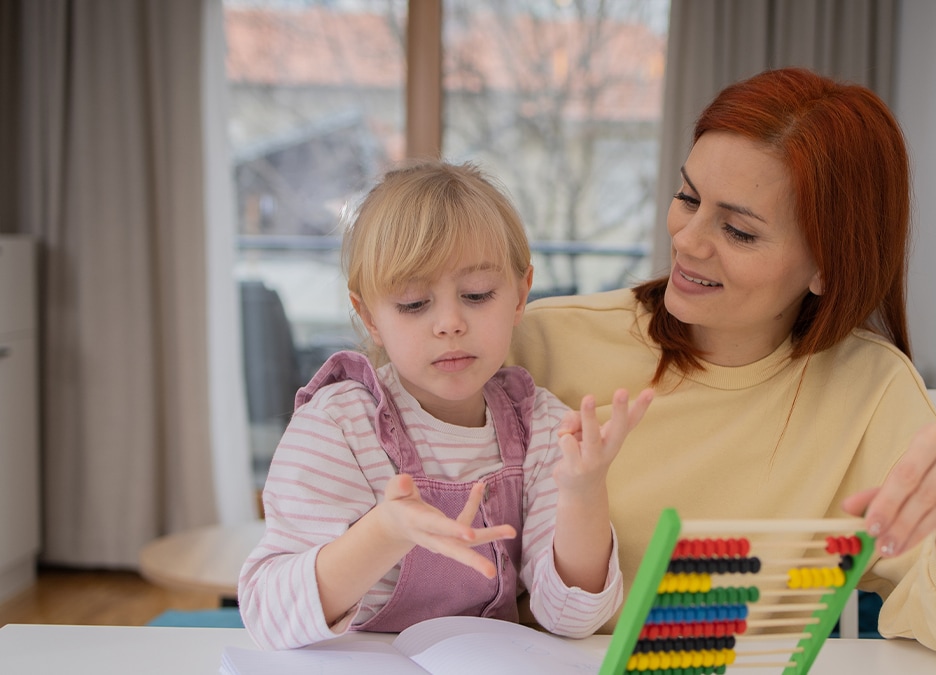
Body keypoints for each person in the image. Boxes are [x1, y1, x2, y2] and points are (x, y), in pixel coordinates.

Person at [508, 67, 936, 666]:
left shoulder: (869, 391)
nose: (688, 241)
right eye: (687, 197)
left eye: (739, 231)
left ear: (828, 267)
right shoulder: (541, 343)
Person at [238, 160, 654, 650]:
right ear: (369, 316)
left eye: (477, 295)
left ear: (521, 295)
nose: (450, 323)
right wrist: (386, 532)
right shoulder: (338, 428)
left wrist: (584, 495)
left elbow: (570, 618)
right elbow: (267, 612)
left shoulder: (539, 426)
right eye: (414, 303)